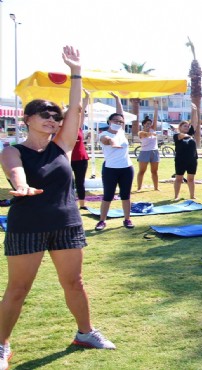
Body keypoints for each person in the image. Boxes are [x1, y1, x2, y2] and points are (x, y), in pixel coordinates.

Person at [0, 46, 115, 370]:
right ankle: (1, 344)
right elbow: (14, 169)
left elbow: (76, 108)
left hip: (66, 223)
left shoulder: (62, 147)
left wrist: (76, 71)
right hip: (28, 225)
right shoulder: (13, 150)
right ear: (27, 119)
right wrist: (20, 184)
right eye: (44, 115)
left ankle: (85, 332)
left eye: (56, 116)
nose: (52, 119)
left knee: (74, 282)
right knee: (18, 289)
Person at [95, 92, 134, 231]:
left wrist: (118, 99)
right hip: (110, 169)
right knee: (108, 196)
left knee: (126, 195)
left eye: (120, 122)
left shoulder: (122, 132)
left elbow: (120, 112)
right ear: (109, 122)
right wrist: (112, 141)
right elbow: (106, 140)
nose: (118, 123)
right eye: (115, 121)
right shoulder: (103, 134)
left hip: (126, 168)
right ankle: (101, 221)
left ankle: (127, 219)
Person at [173, 103, 200, 200]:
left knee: (191, 179)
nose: (187, 127)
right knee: (179, 178)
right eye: (185, 126)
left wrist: (195, 111)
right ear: (180, 127)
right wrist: (189, 135)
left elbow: (195, 122)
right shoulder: (177, 135)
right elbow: (182, 136)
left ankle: (192, 195)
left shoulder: (191, 133)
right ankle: (176, 196)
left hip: (192, 160)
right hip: (180, 160)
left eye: (187, 126)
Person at [71, 90, 91, 210]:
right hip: (66, 158)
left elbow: (81, 111)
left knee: (80, 182)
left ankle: (82, 204)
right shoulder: (60, 129)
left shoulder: (78, 127)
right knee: (67, 182)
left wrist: (86, 97)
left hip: (81, 158)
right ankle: (68, 203)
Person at [136, 101, 160, 191]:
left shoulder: (153, 129)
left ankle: (156, 188)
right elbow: (145, 135)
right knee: (142, 171)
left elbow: (155, 118)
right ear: (143, 124)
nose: (149, 125)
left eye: (150, 123)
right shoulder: (141, 132)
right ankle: (139, 187)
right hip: (144, 152)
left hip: (154, 151)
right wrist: (152, 134)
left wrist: (156, 108)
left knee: (154, 171)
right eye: (147, 124)